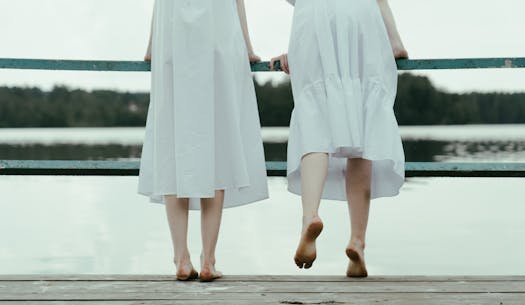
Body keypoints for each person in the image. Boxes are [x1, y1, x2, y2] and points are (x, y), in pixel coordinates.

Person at [271, 0, 407, 277]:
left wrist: (298, 48)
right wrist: (395, 42)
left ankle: (310, 216)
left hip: (311, 16)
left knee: (314, 120)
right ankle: (357, 241)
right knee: (362, 124)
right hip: (361, 17)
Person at [139, 0, 268, 282]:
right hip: (217, 33)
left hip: (172, 36)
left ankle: (181, 258)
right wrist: (247, 47)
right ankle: (208, 259)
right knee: (217, 143)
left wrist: (152, 45)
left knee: (172, 144)